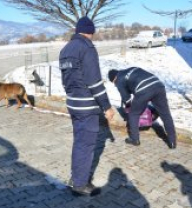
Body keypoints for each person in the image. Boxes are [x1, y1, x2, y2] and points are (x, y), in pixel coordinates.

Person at [59, 16, 115, 196]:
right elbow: (94, 82)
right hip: (86, 106)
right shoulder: (87, 48)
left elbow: (65, 81)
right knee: (86, 145)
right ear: (91, 32)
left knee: (79, 142)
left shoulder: (65, 49)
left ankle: (76, 177)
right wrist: (106, 106)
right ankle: (80, 185)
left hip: (73, 104)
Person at [108, 67, 177, 149]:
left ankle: (134, 139)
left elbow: (127, 99)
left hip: (144, 89)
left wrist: (128, 108)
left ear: (113, 79)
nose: (115, 85)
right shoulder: (131, 69)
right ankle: (172, 142)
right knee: (165, 114)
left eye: (114, 83)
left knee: (133, 114)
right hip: (158, 85)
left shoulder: (118, 80)